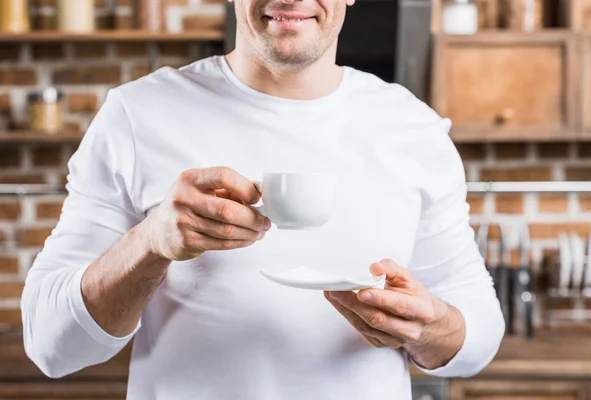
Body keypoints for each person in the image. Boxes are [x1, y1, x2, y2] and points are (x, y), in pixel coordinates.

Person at [20, 0, 505, 398]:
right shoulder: (136, 114)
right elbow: (51, 346)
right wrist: (150, 242)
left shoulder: (412, 127)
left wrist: (431, 328)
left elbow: (478, 333)